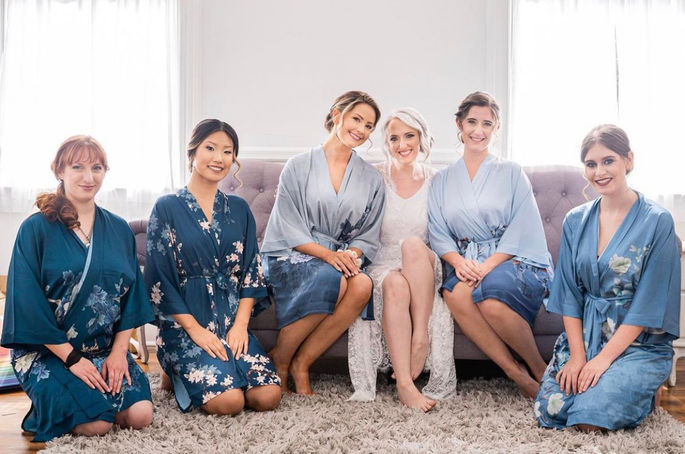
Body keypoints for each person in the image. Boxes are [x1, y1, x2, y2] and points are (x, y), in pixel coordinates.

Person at [1, 136, 154, 441]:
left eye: (97, 168)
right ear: (59, 170)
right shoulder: (35, 229)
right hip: (48, 352)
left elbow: (132, 297)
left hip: (104, 350)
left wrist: (119, 353)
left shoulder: (119, 229)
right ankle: (45, 410)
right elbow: (27, 304)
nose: (89, 177)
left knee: (140, 416)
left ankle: (87, 401)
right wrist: (72, 359)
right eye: (77, 167)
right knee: (97, 424)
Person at [534, 124, 680, 431]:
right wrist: (578, 357)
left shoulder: (658, 221)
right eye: (591, 164)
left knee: (590, 417)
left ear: (628, 159)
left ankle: (643, 391)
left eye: (608, 161)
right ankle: (623, 390)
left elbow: (647, 305)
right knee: (553, 409)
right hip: (587, 337)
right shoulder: (575, 221)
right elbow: (570, 294)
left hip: (637, 343)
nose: (599, 172)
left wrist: (602, 361)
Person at [145, 119, 281, 414]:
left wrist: (240, 327)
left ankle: (215, 367)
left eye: (227, 151)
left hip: (231, 323)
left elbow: (251, 271)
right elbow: (160, 280)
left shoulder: (239, 209)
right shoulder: (167, 207)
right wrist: (196, 331)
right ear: (192, 151)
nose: (219, 158)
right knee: (229, 402)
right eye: (210, 148)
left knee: (267, 397)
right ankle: (175, 366)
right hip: (187, 326)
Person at [428, 91, 553, 398]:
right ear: (459, 124)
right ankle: (515, 372)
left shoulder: (510, 172)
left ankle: (539, 368)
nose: (478, 130)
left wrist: (488, 266)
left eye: (487, 124)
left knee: (491, 299)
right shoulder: (441, 180)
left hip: (510, 257)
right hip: (467, 260)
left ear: (496, 128)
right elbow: (438, 231)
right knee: (455, 294)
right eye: (472, 122)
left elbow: (522, 225)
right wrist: (459, 262)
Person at [262, 90, 386, 395]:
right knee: (336, 278)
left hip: (338, 257)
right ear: (337, 115)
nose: (361, 129)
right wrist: (330, 257)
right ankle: (280, 359)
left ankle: (302, 362)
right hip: (292, 252)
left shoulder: (371, 178)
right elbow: (287, 225)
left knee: (362, 285)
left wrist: (349, 254)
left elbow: (368, 234)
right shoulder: (297, 165)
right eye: (356, 119)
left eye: (369, 126)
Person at [348, 108, 456, 411]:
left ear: (421, 138)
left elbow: (443, 232)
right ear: (386, 143)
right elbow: (359, 225)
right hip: (384, 262)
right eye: (394, 138)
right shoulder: (374, 177)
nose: (402, 144)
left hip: (422, 264)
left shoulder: (437, 180)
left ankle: (420, 338)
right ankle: (405, 385)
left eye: (409, 136)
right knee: (395, 284)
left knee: (411, 245)